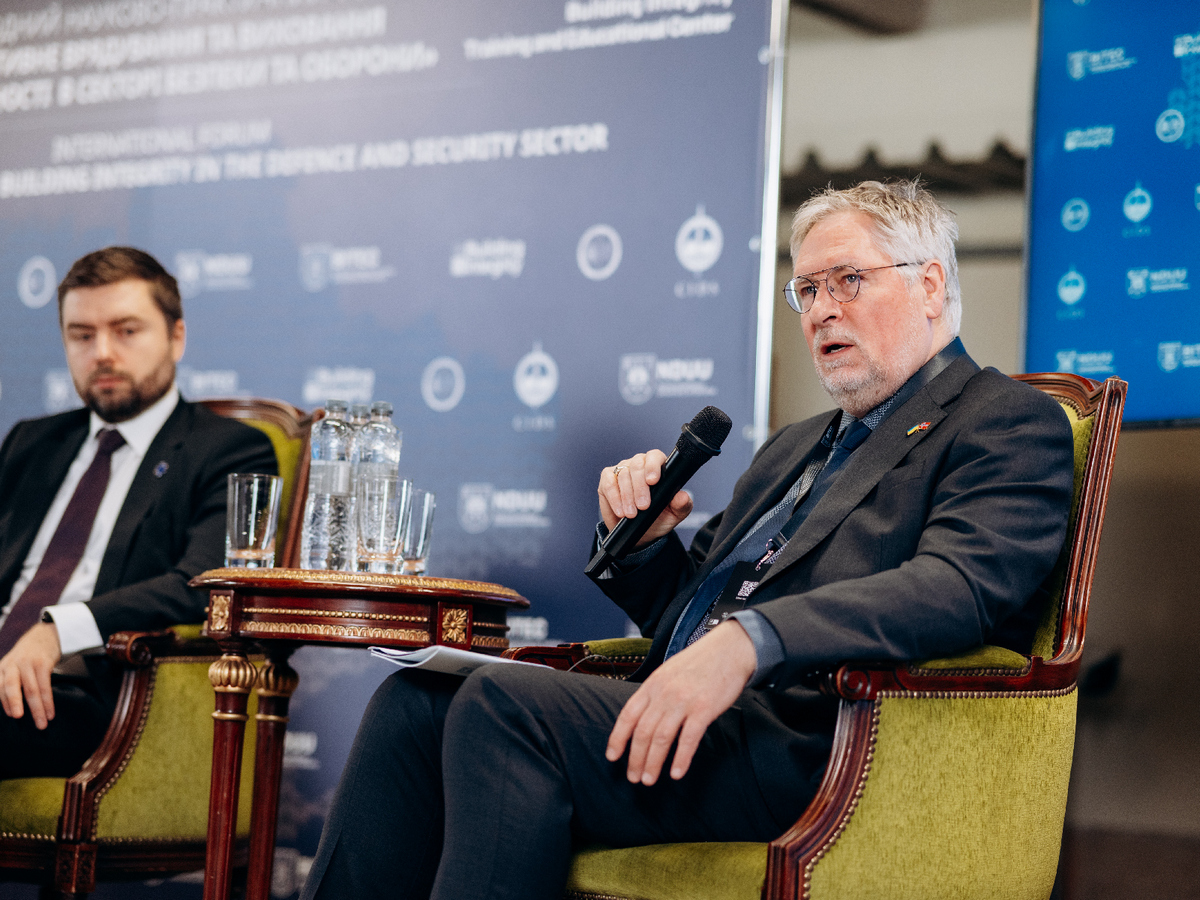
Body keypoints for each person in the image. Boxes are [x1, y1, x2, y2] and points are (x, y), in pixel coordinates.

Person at [301, 180, 1074, 900]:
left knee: (506, 707)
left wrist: (752, 641)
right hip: (698, 719)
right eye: (807, 290)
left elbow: (957, 587)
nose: (820, 311)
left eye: (847, 281)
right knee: (415, 704)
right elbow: (686, 616)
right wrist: (640, 541)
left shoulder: (1004, 422)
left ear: (930, 285)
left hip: (821, 741)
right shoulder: (793, 446)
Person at [0, 246, 277, 779]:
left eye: (126, 331)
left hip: (87, 691)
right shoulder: (31, 443)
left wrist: (58, 630)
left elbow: (204, 584)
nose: (102, 353)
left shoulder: (230, 451)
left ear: (176, 336)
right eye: (82, 335)